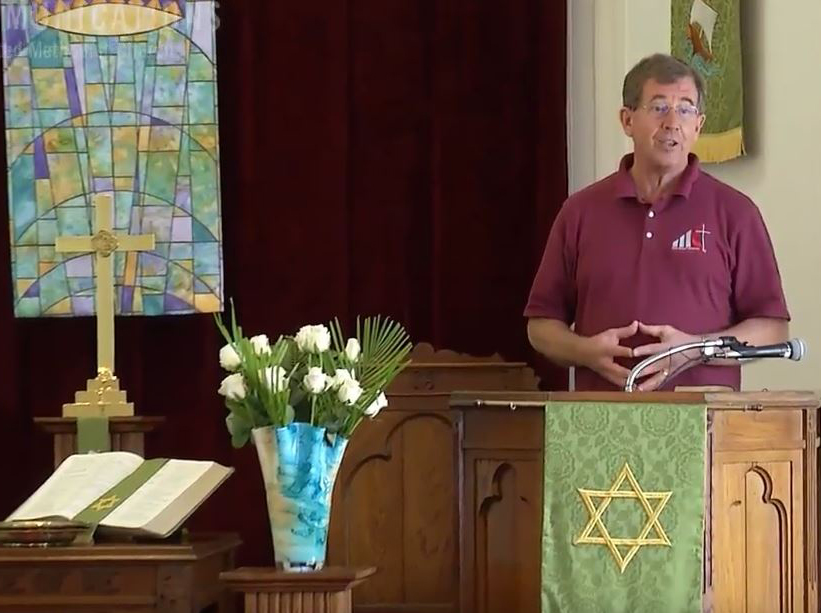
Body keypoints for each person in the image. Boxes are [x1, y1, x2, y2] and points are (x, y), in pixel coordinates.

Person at [525, 53, 790, 392]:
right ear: (627, 120)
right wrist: (585, 351)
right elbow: (541, 325)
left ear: (699, 125)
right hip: (600, 422)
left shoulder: (736, 212)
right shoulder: (580, 211)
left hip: (704, 427)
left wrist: (694, 350)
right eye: (659, 107)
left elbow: (772, 328)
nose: (672, 122)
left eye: (685, 109)